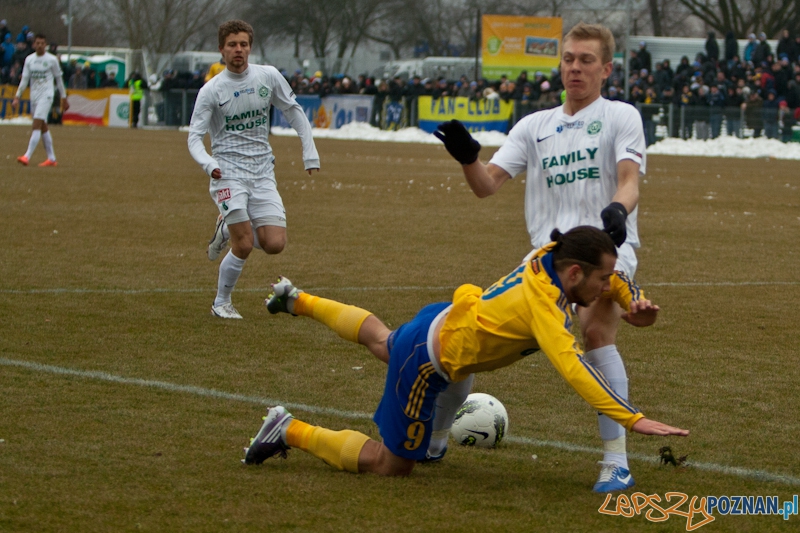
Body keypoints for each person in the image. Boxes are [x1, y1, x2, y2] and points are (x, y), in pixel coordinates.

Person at [242, 226, 689, 482]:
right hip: (428, 364)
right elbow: (573, 369)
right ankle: (290, 430)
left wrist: (632, 301)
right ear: (575, 273)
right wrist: (631, 417)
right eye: (600, 278)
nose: (605, 285)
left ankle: (297, 299)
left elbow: (611, 276)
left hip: (446, 320)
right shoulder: (545, 309)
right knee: (392, 465)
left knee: (382, 340)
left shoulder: (551, 254)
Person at [432, 22, 652, 492]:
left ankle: (616, 462)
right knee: (468, 335)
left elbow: (629, 177)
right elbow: (487, 185)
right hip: (546, 262)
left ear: (606, 69)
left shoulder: (621, 116)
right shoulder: (535, 126)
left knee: (595, 330)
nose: (575, 67)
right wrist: (468, 157)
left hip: (605, 251)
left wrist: (618, 208)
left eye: (586, 60)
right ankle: (432, 441)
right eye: (569, 58)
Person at [187, 20, 319, 319]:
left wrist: (309, 153)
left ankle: (227, 227)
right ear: (221, 49)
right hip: (227, 173)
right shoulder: (211, 91)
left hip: (262, 171)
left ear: (250, 47)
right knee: (244, 244)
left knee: (275, 244)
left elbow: (294, 111)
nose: (238, 50)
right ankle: (221, 302)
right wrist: (210, 164)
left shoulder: (267, 76)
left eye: (243, 44)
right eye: (232, 45)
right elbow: (194, 138)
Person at [12, 34, 68, 167]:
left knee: (36, 125)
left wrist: (63, 97)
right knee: (43, 126)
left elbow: (59, 80)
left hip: (47, 95)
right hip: (34, 96)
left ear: (46, 45)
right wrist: (17, 96)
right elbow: (25, 79)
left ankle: (27, 156)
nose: (40, 45)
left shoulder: (52, 60)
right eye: (37, 43)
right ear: (34, 44)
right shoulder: (29, 60)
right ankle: (52, 159)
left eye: (42, 43)